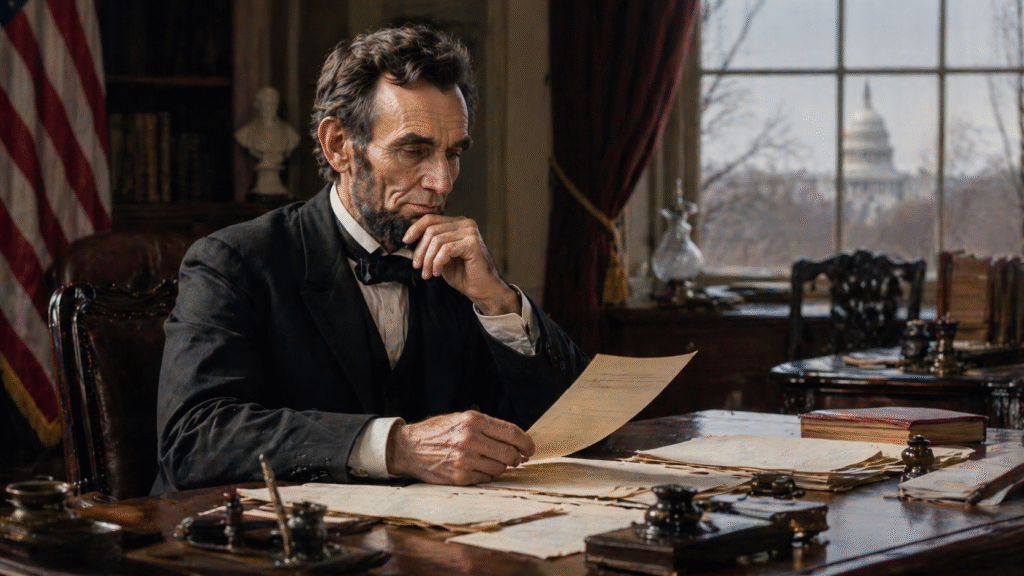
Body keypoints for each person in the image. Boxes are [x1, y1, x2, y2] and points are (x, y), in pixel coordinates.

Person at [153, 25, 588, 493]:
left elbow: (576, 430)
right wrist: (396, 447)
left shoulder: (458, 270)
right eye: (414, 150)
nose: (442, 182)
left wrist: (498, 302)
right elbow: (193, 438)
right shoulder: (232, 262)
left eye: (453, 154)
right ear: (338, 145)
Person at [234, 86, 301, 196]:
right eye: (266, 104)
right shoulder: (246, 133)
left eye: (273, 104)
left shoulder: (290, 134)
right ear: (258, 106)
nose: (270, 108)